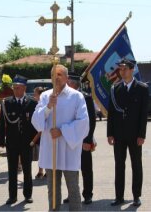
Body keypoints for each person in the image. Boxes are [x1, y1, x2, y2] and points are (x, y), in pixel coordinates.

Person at [31, 64, 90, 211]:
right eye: (53, 75)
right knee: (53, 188)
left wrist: (63, 131)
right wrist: (48, 106)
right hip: (51, 150)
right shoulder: (45, 96)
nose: (56, 78)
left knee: (73, 188)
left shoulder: (76, 96)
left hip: (69, 149)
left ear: (66, 77)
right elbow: (36, 121)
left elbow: (83, 122)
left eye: (60, 74)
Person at [107, 58, 149, 207]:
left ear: (132, 70)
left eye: (125, 68)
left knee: (136, 165)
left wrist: (142, 135)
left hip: (134, 135)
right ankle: (119, 196)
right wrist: (109, 133)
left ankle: (136, 196)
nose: (122, 71)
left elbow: (143, 114)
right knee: (119, 165)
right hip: (118, 134)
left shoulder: (142, 88)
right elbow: (111, 113)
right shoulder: (115, 89)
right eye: (120, 69)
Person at [0, 75, 38, 205]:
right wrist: (1, 141)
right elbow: (2, 123)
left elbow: (35, 124)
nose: (16, 90)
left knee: (27, 169)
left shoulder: (32, 102)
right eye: (14, 88)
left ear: (24, 88)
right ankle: (12, 196)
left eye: (18, 88)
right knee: (12, 170)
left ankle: (28, 195)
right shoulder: (7, 102)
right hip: (12, 142)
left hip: (27, 142)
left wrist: (35, 140)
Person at [64, 72, 96, 205]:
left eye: (68, 82)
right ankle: (72, 193)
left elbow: (91, 121)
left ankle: (87, 194)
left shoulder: (86, 98)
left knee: (86, 168)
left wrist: (88, 140)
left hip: (83, 139)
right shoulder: (64, 98)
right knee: (71, 169)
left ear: (73, 83)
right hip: (69, 140)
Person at [31, 87, 46, 179]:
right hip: (38, 133)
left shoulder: (44, 105)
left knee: (45, 153)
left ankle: (47, 171)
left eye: (35, 94)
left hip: (43, 133)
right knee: (41, 153)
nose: (34, 96)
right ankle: (40, 171)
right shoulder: (36, 104)